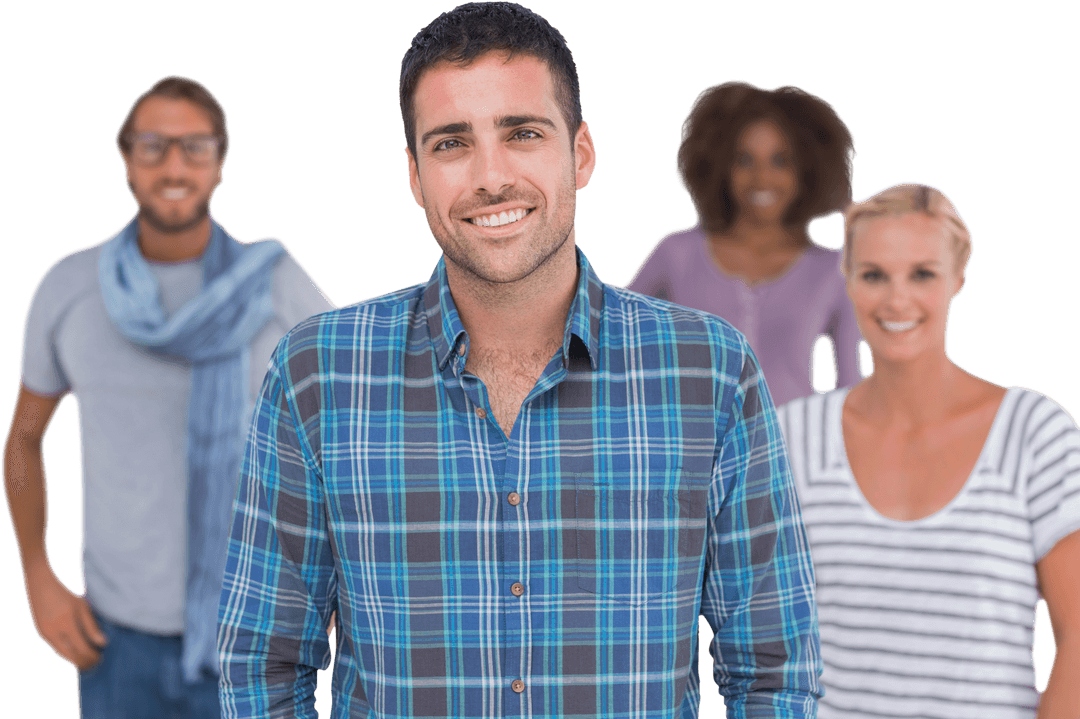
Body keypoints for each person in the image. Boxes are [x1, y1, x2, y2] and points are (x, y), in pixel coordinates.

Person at [217, 3, 821, 717]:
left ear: (582, 152)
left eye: (522, 133)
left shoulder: (711, 372)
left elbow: (774, 670)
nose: (490, 176)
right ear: (414, 177)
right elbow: (262, 665)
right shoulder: (316, 375)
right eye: (451, 144)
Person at [2, 75, 334, 718]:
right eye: (154, 146)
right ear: (125, 159)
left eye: (194, 147)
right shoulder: (68, 286)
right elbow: (23, 440)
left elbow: (352, 432)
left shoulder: (275, 283)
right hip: (114, 645)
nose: (174, 166)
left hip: (253, 635)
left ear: (220, 163)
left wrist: (332, 592)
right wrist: (38, 579)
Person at [776, 182, 1080, 718]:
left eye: (922, 273)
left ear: (958, 277)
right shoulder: (793, 434)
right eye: (873, 275)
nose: (897, 300)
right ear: (846, 280)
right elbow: (761, 636)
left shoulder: (1035, 433)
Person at [627, 81, 861, 406]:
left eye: (781, 161)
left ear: (807, 170)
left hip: (791, 449)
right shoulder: (678, 255)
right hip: (695, 447)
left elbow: (851, 388)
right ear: (721, 166)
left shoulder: (832, 272)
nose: (762, 178)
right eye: (744, 160)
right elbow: (612, 334)